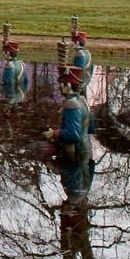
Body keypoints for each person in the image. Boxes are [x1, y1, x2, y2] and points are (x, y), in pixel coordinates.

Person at [44, 65, 93, 202]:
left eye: (62, 84)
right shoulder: (82, 101)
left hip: (74, 154)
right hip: (83, 152)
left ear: (68, 85)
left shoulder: (72, 105)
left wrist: (54, 134)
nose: (60, 87)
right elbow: (91, 127)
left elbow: (73, 135)